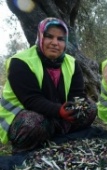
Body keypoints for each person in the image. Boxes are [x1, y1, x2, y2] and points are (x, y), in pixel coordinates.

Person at [0, 17, 97, 154]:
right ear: (40, 38)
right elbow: (32, 100)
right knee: (32, 123)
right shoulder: (20, 62)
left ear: (65, 42)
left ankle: (55, 134)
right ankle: (25, 146)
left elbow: (77, 94)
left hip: (57, 115)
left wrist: (76, 107)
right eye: (49, 37)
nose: (54, 43)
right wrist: (60, 111)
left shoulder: (72, 63)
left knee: (90, 107)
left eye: (60, 39)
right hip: (25, 116)